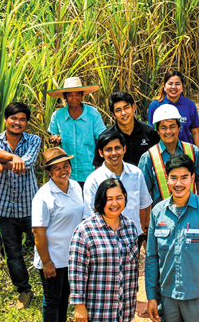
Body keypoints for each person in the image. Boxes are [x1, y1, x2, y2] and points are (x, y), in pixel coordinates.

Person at [145, 154, 199, 322]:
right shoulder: (157, 212)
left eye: (184, 177)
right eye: (173, 178)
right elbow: (152, 257)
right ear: (167, 179)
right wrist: (151, 296)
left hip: (198, 297)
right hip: (167, 297)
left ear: (192, 178)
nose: (179, 183)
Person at [0, 102, 41, 309]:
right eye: (13, 118)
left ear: (26, 122)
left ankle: (53, 283)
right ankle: (24, 290)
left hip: (31, 207)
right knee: (13, 253)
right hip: (4, 208)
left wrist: (1, 164)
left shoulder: (34, 140)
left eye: (22, 119)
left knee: (42, 246)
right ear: (5, 119)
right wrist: (10, 158)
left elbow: (27, 164)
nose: (17, 122)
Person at [69, 178, 140, 322]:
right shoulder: (85, 230)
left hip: (125, 309)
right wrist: (79, 306)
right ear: (101, 201)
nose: (115, 203)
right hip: (98, 311)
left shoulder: (130, 226)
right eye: (109, 199)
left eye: (119, 198)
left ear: (125, 198)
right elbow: (77, 271)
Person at [32, 147, 86, 322]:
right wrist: (47, 262)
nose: (63, 171)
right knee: (52, 300)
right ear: (49, 172)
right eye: (57, 168)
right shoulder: (44, 196)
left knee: (65, 298)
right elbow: (38, 233)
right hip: (53, 258)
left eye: (66, 166)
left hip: (71, 257)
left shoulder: (75, 186)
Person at [84, 131, 153, 238]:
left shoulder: (136, 174)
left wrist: (143, 234)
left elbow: (144, 206)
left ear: (124, 149)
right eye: (108, 149)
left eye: (117, 148)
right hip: (105, 240)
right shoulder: (93, 180)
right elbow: (90, 215)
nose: (114, 153)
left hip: (133, 238)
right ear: (101, 153)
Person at [139, 104, 199, 204]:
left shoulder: (193, 151)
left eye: (172, 127)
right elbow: (143, 192)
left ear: (179, 127)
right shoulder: (148, 157)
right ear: (157, 130)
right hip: (162, 217)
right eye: (163, 128)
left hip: (192, 214)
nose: (168, 131)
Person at [47, 76, 106, 185]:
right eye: (70, 95)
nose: (74, 98)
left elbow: (102, 139)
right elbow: (54, 137)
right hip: (66, 172)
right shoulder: (58, 115)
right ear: (65, 97)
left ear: (82, 95)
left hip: (90, 170)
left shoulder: (93, 114)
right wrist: (56, 139)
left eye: (77, 94)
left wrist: (99, 165)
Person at [92, 91, 160, 167]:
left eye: (126, 108)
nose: (123, 113)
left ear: (133, 107)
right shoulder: (105, 137)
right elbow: (98, 167)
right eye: (118, 110)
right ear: (113, 115)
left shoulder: (150, 132)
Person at [147, 70, 199, 148]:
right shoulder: (155, 106)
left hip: (186, 152)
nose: (174, 87)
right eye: (170, 84)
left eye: (177, 84)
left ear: (182, 86)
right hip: (163, 153)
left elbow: (195, 132)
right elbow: (151, 134)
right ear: (164, 85)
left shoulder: (190, 105)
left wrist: (198, 156)